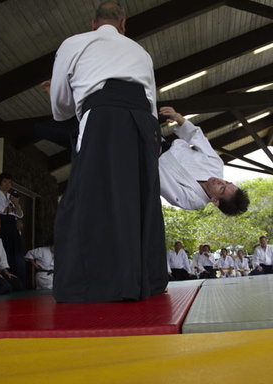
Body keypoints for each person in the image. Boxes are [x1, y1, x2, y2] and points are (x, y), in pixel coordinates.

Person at [49, 2, 167, 302]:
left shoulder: (74, 43)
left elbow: (60, 107)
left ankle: (97, 283)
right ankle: (146, 279)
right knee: (138, 196)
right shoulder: (141, 52)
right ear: (123, 24)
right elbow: (151, 100)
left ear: (93, 23)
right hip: (143, 121)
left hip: (102, 117)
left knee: (90, 196)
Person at [158, 107, 249, 216]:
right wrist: (178, 117)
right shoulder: (216, 165)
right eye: (227, 182)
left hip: (145, 160)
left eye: (222, 188)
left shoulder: (191, 201)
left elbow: (160, 180)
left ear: (215, 201)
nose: (221, 181)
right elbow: (197, 136)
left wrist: (152, 156)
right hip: (159, 140)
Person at [0, 172, 26, 285]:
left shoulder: (12, 197)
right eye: (4, 181)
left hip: (12, 226)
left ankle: (18, 282)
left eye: (9, 182)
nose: (7, 184)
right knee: (3, 251)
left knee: (17, 254)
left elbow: (20, 214)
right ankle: (4, 281)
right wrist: (13, 210)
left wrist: (16, 204)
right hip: (0, 224)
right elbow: (0, 210)